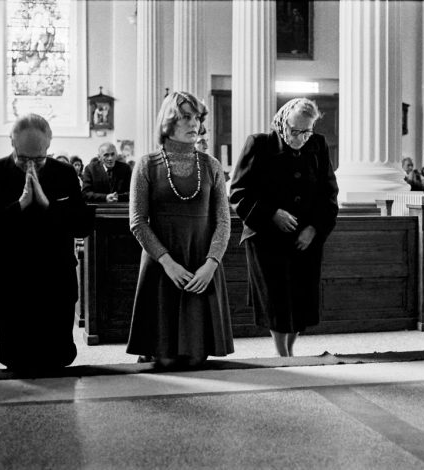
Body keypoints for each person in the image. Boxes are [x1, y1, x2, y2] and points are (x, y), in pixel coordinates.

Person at [0, 114, 94, 371]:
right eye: (23, 158)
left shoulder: (64, 173)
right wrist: (20, 206)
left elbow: (83, 225)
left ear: (48, 146)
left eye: (38, 159)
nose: (31, 167)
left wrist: (48, 206)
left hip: (55, 281)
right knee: (16, 360)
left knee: (57, 358)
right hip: (8, 281)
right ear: (12, 143)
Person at [126, 91, 234, 368]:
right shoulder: (147, 165)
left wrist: (211, 264)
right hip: (163, 267)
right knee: (163, 358)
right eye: (186, 116)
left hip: (201, 265)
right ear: (169, 120)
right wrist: (167, 263)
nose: (194, 123)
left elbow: (223, 221)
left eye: (197, 117)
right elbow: (138, 221)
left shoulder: (211, 165)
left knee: (197, 358)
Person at [230, 98, 339, 357]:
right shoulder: (259, 144)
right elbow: (238, 192)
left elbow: (329, 194)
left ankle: (290, 349)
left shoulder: (318, 145)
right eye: (294, 130)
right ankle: (282, 355)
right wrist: (271, 214)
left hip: (305, 237)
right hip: (267, 238)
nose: (300, 137)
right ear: (282, 122)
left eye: (306, 131)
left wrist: (314, 228)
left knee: (301, 300)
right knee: (276, 301)